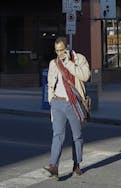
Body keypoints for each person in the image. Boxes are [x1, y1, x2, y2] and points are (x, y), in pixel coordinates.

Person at [44, 36, 90, 179]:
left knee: (77, 136)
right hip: (58, 103)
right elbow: (50, 84)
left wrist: (68, 64)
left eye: (62, 50)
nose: (59, 54)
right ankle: (54, 166)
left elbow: (85, 76)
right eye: (57, 51)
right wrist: (51, 100)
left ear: (67, 47)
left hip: (74, 102)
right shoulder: (53, 63)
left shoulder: (79, 59)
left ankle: (77, 164)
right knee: (57, 135)